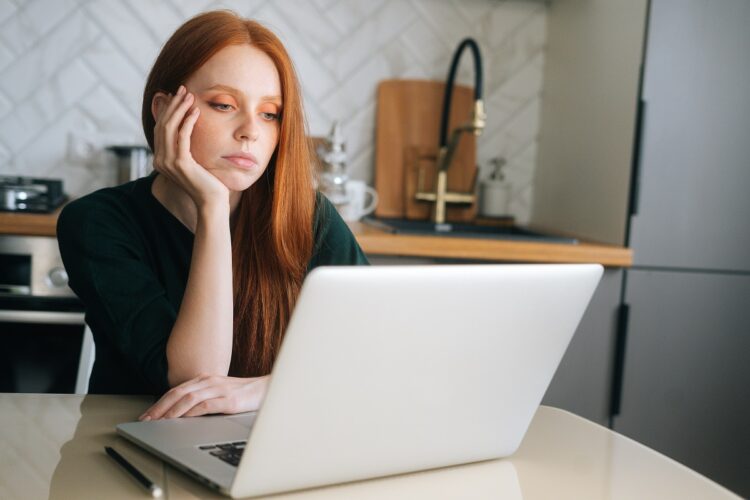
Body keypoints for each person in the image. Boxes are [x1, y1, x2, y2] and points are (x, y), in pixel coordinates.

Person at [57, 10, 368, 421]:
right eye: (224, 104)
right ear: (165, 110)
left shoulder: (310, 218)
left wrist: (261, 391)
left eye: (270, 113)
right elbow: (196, 381)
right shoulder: (97, 222)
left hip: (267, 456)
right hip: (126, 456)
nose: (251, 132)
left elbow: (373, 353)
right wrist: (213, 206)